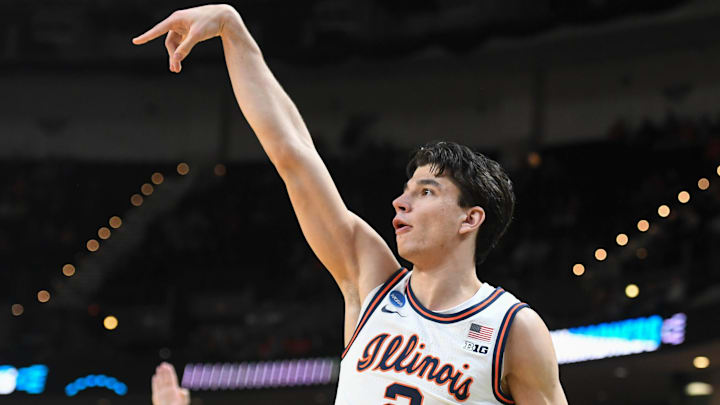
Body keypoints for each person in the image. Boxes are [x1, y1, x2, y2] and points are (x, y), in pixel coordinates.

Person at [135, 5, 568, 404]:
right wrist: (233, 30)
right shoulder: (372, 282)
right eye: (406, 189)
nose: (401, 202)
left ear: (470, 218)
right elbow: (294, 155)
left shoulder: (514, 329)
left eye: (426, 192)